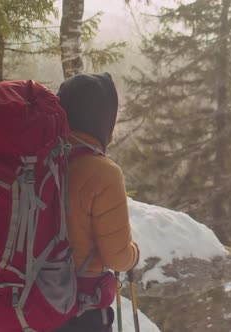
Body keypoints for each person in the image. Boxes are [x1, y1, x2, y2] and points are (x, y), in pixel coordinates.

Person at [55, 73, 140, 332]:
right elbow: (117, 257)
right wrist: (133, 254)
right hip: (79, 309)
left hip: (27, 302)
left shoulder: (36, 161)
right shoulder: (104, 173)